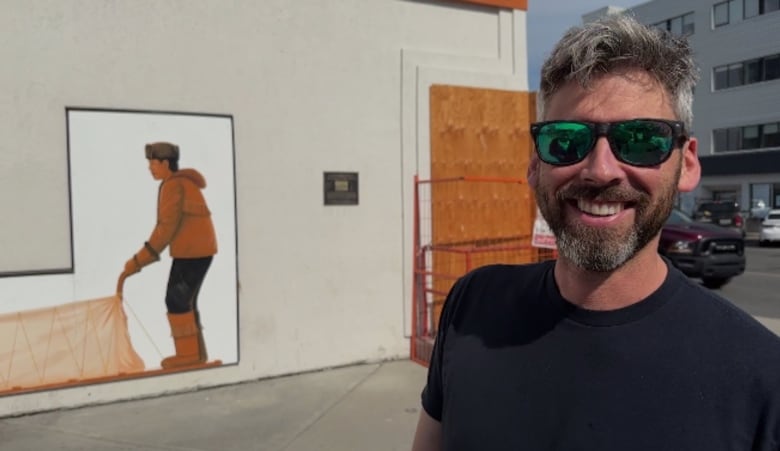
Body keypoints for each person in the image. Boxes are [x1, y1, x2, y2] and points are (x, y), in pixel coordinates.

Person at [412, 14, 780, 451]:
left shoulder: (762, 377)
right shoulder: (471, 308)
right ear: (535, 164)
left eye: (643, 139)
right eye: (566, 140)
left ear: (688, 163)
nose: (601, 170)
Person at [120, 142, 218, 369]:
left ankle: (189, 356)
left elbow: (166, 228)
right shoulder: (181, 182)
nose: (150, 169)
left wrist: (137, 261)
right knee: (185, 300)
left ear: (165, 164)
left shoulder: (173, 186)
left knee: (177, 300)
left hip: (192, 252)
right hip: (197, 250)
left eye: (153, 164)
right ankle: (196, 354)